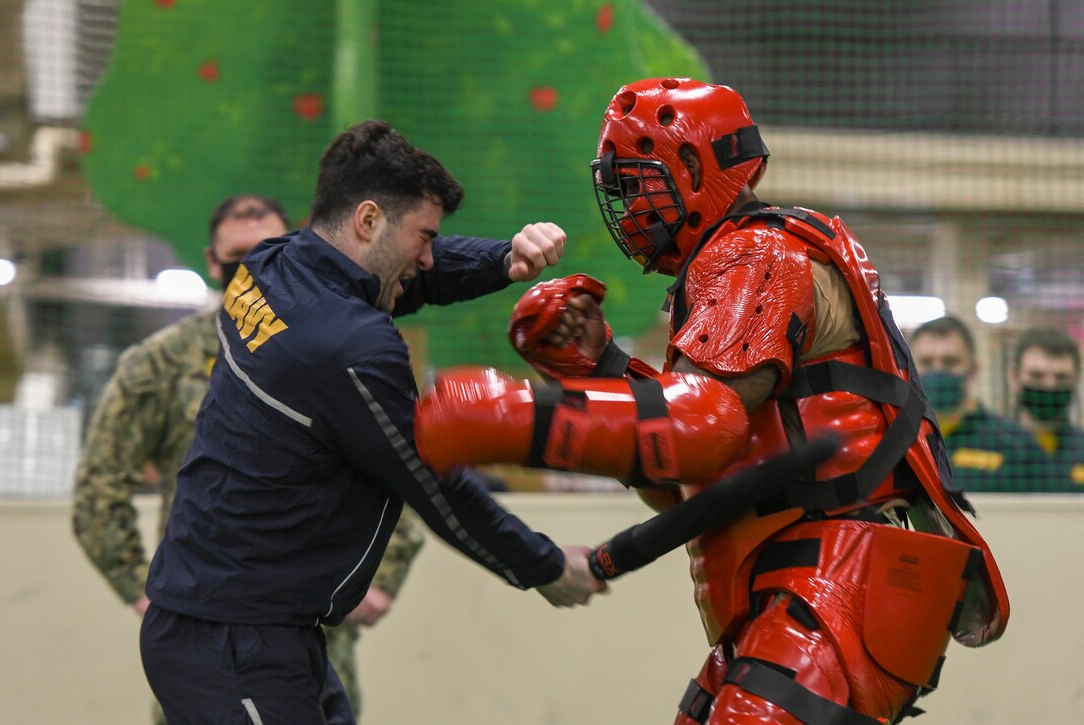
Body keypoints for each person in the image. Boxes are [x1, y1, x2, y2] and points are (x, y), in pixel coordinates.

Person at [415, 78, 1009, 724]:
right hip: (800, 588)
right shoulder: (727, 269)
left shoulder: (758, 249)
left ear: (694, 168)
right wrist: (604, 367)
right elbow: (682, 485)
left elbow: (702, 427)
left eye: (637, 181)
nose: (628, 205)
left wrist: (507, 414)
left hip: (836, 580)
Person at [137, 120, 605, 725]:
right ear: (367, 220)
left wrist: (504, 260)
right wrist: (543, 566)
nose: (431, 256)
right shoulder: (350, 349)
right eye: (424, 236)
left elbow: (411, 278)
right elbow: (434, 483)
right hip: (231, 642)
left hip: (248, 626)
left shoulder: (269, 266)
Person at [72, 194, 426, 724]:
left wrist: (382, 579)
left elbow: (401, 466)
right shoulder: (161, 364)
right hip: (210, 634)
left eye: (267, 251)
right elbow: (98, 489)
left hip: (316, 632)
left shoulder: (341, 349)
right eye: (237, 257)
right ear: (212, 265)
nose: (253, 269)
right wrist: (145, 594)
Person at [908, 315, 1047, 492]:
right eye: (926, 362)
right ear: (909, 370)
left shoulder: (1016, 443)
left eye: (950, 362)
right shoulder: (890, 439)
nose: (938, 371)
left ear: (973, 369)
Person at [1009, 327, 1084, 491]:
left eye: (1061, 377)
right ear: (1015, 377)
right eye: (1036, 376)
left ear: (1075, 380)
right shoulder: (994, 446)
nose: (1049, 385)